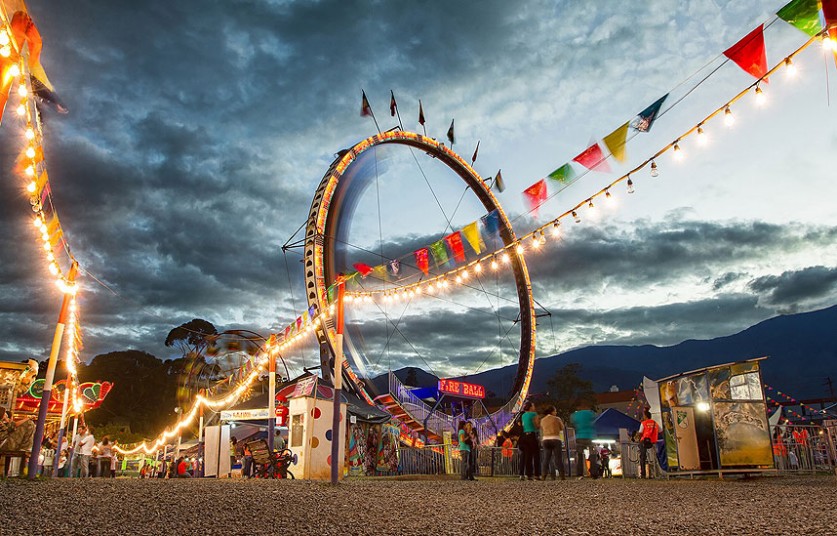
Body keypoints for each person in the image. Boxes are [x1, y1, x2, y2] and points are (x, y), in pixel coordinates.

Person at [539, 405, 565, 480]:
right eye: (555, 411)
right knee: (558, 458)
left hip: (545, 439)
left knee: (546, 458)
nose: (556, 412)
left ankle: (544, 475)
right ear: (552, 411)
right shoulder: (557, 419)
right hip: (555, 439)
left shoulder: (543, 420)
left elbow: (541, 429)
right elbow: (562, 428)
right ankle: (562, 475)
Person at [570, 406, 596, 478]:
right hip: (590, 436)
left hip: (580, 436)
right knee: (593, 454)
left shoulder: (575, 415)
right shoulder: (590, 413)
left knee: (580, 455)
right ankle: (594, 473)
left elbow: (573, 422)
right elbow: (594, 420)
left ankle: (580, 474)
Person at [519, 401, 540, 480]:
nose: (534, 407)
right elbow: (537, 425)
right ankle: (537, 474)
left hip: (524, 436)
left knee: (528, 456)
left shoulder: (523, 415)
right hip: (532, 435)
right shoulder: (534, 414)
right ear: (530, 407)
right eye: (533, 406)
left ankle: (529, 474)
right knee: (536, 455)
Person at [638, 409, 659, 479]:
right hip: (654, 441)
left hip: (644, 441)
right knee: (656, 457)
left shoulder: (643, 423)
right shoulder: (655, 423)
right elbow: (660, 430)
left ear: (646, 416)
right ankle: (657, 473)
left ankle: (643, 474)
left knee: (642, 457)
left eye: (643, 415)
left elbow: (640, 432)